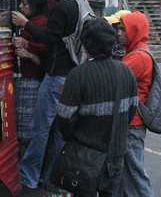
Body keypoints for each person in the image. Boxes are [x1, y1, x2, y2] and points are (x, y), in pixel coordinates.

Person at [9, 0, 92, 195]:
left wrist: (25, 23)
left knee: (40, 128)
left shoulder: (64, 6)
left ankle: (29, 177)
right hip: (71, 74)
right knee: (57, 131)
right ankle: (52, 177)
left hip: (56, 75)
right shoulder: (80, 1)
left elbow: (48, 37)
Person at [56, 18, 138, 197]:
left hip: (84, 156)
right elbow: (132, 110)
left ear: (85, 44)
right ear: (112, 42)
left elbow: (64, 118)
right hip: (116, 154)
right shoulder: (127, 72)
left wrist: (75, 138)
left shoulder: (78, 75)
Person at [114, 11, 154, 197]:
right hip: (130, 122)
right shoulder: (136, 52)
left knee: (135, 175)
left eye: (123, 29)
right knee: (126, 175)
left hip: (133, 124)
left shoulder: (138, 57)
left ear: (135, 31)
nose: (118, 33)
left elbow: (113, 79)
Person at [14, 0, 49, 155]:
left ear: (34, 6)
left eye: (25, 4)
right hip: (27, 78)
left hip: (32, 80)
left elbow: (45, 52)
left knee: (26, 128)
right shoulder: (34, 22)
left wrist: (27, 52)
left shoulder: (40, 24)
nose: (21, 7)